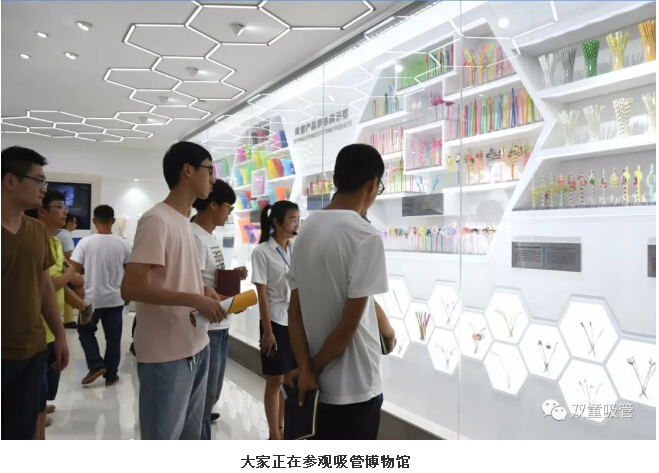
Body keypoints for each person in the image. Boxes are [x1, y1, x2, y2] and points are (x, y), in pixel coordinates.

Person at [121, 141, 227, 440]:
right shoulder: (157, 219)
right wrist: (193, 298)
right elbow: (131, 287)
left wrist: (202, 289)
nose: (213, 178)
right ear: (188, 170)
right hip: (166, 355)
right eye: (209, 170)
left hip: (196, 344)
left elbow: (169, 277)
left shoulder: (183, 221)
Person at [287, 143, 388, 440]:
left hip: (316, 388)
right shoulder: (365, 236)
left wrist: (305, 369)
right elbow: (347, 331)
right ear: (372, 184)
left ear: (335, 180)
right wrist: (312, 369)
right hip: (356, 387)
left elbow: (294, 310)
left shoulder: (306, 228)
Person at [1, 146, 70, 440]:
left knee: (22, 433)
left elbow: (44, 287)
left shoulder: (36, 231)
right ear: (10, 181)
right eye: (38, 180)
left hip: (33, 351)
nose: (44, 188)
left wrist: (60, 335)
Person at [190, 180, 248, 440]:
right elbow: (193, 286)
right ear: (213, 205)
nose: (229, 213)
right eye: (228, 207)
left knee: (211, 395)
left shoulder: (208, 237)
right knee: (202, 399)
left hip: (220, 323)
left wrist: (232, 277)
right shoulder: (194, 236)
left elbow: (208, 279)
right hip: (207, 326)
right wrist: (229, 300)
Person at [251, 200, 301, 440]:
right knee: (275, 379)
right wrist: (268, 333)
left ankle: (282, 428)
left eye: (298, 220)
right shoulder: (262, 252)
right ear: (277, 222)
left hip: (294, 321)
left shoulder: (294, 248)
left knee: (289, 378)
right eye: (292, 219)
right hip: (275, 322)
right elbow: (262, 295)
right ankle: (274, 433)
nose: (296, 224)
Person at [71, 205, 131, 386]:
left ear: (94, 221)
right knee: (113, 339)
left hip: (90, 300)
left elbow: (73, 269)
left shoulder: (85, 242)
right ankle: (111, 375)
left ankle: (96, 364)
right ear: (112, 221)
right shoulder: (123, 243)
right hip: (115, 299)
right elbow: (129, 271)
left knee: (84, 331)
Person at [57, 213, 80, 329]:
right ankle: (68, 320)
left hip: (59, 267)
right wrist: (73, 271)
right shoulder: (66, 236)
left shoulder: (58, 234)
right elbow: (69, 255)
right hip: (64, 268)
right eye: (74, 222)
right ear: (69, 223)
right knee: (69, 290)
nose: (76, 225)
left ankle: (67, 319)